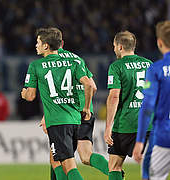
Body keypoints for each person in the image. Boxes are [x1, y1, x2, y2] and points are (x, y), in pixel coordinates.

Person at [22, 27, 95, 180]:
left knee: (68, 166)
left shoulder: (36, 66)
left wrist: (24, 92)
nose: (36, 45)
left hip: (57, 122)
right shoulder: (72, 63)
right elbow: (89, 85)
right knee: (57, 162)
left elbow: (30, 96)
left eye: (38, 42)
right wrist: (87, 107)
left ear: (46, 46)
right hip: (75, 120)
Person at [41, 45, 110, 180]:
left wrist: (46, 115)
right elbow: (93, 86)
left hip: (65, 115)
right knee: (86, 155)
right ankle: (115, 173)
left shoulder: (52, 62)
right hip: (85, 113)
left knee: (57, 159)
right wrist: (85, 105)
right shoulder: (77, 59)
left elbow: (56, 92)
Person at [104, 31, 153, 180]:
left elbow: (114, 96)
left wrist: (108, 127)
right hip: (147, 124)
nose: (113, 49)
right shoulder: (149, 64)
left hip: (125, 124)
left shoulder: (116, 67)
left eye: (114, 46)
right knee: (150, 165)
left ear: (119, 47)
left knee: (114, 166)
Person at [133, 20, 170, 180]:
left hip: (164, 136)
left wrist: (140, 141)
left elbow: (147, 107)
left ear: (159, 42)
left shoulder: (155, 70)